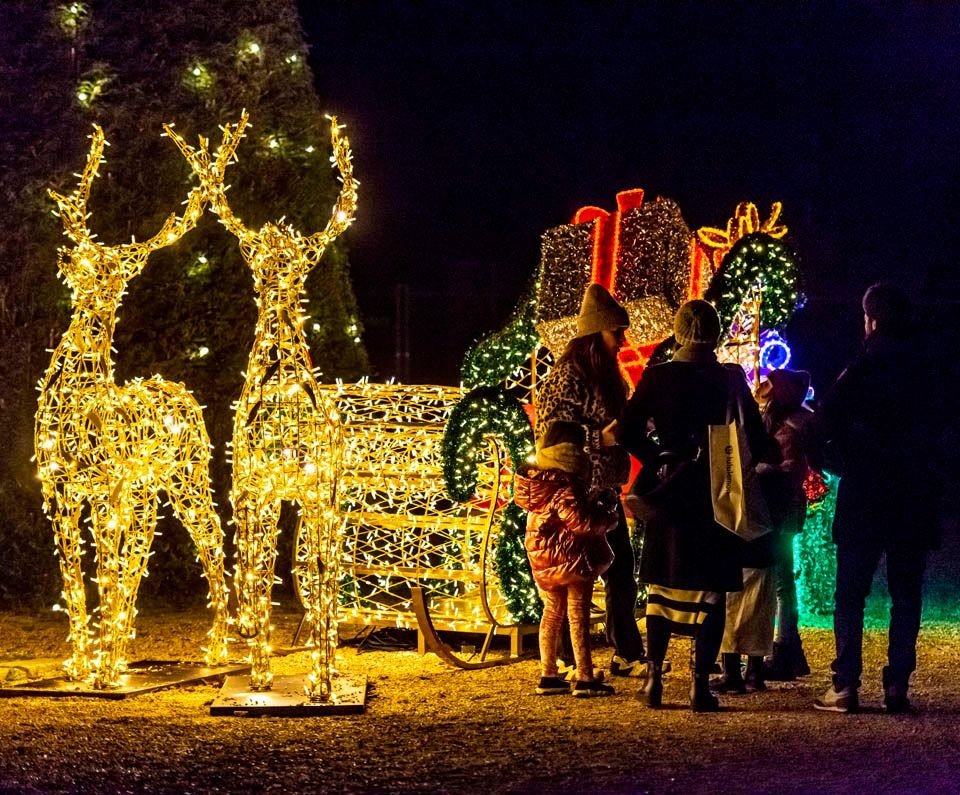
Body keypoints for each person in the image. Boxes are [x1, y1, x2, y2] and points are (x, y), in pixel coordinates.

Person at [621, 299, 777, 711]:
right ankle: (699, 687)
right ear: (716, 333)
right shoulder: (729, 379)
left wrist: (658, 459)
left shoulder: (656, 378)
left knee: (662, 585)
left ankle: (654, 679)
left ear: (677, 332)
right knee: (711, 591)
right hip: (716, 490)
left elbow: (627, 430)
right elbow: (755, 436)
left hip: (670, 491)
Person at [815, 283, 941, 714]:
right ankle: (897, 686)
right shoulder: (928, 370)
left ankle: (846, 683)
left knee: (851, 592)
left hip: (864, 495)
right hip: (912, 496)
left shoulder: (860, 367)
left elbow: (822, 425)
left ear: (870, 319)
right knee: (906, 593)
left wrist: (838, 462)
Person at [532, 283, 647, 678]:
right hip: (574, 496)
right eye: (616, 332)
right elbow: (552, 435)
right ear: (597, 333)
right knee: (568, 577)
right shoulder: (566, 377)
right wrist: (602, 438)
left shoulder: (608, 377)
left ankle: (624, 650)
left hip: (605, 493)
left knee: (619, 569)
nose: (622, 340)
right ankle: (565, 660)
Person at [514, 421, 617, 696]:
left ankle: (548, 674)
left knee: (551, 613)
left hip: (543, 559)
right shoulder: (565, 485)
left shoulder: (539, 482)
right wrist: (608, 518)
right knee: (577, 615)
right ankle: (584, 676)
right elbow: (581, 523)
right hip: (570, 557)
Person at [757, 368, 814, 681]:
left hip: (775, 504)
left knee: (779, 582)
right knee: (783, 580)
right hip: (788, 505)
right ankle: (788, 648)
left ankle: (782, 649)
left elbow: (778, 464)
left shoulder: (787, 423)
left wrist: (765, 469)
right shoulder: (800, 420)